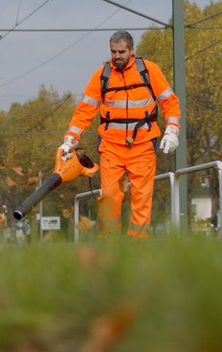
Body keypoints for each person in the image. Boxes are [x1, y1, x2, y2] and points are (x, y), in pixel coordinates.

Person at [59, 31, 181, 239]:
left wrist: (172, 130)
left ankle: (138, 246)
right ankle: (110, 246)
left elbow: (170, 101)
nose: (117, 56)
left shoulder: (149, 71)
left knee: (141, 199)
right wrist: (70, 139)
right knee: (108, 196)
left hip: (142, 146)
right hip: (110, 147)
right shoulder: (102, 75)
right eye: (113, 52)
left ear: (132, 50)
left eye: (121, 52)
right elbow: (85, 110)